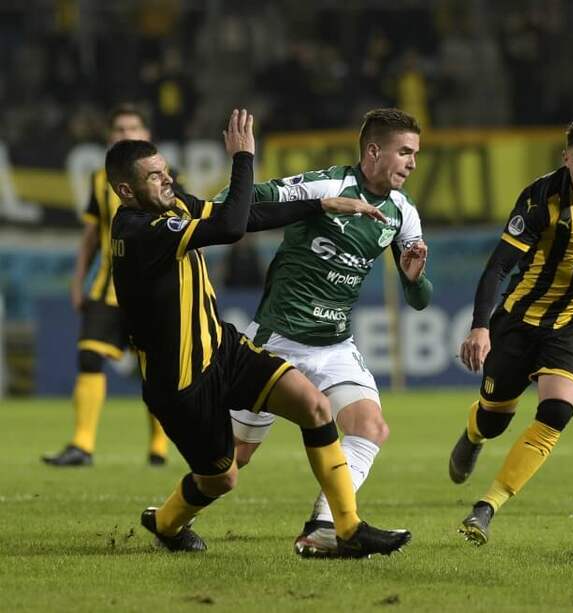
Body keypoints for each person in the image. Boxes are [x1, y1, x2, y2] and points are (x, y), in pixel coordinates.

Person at [108, 108, 410, 557]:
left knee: (314, 404)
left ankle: (344, 529)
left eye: (166, 170)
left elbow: (246, 216)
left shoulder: (170, 208)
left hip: (223, 348)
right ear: (126, 190)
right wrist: (244, 158)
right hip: (183, 382)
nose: (167, 181)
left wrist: (321, 204)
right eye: (154, 177)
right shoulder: (140, 230)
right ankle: (168, 522)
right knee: (223, 476)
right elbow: (231, 228)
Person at [223, 108, 432, 557]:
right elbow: (240, 200)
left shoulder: (401, 213)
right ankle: (171, 516)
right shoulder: (326, 186)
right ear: (374, 151)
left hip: (334, 345)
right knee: (232, 461)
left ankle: (323, 527)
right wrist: (239, 173)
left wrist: (414, 280)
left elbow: (419, 300)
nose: (413, 162)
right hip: (276, 341)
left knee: (370, 427)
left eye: (416, 154)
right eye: (405, 152)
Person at [447, 115, 573, 546]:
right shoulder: (541, 198)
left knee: (557, 412)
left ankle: (487, 507)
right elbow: (498, 265)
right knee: (495, 418)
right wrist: (481, 327)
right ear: (565, 159)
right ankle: (474, 433)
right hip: (521, 319)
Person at [43, 106, 169, 467]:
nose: (126, 132)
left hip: (150, 293)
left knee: (155, 369)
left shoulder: (166, 177)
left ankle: (159, 446)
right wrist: (77, 279)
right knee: (88, 356)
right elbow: (89, 237)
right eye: (119, 127)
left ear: (146, 132)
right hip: (106, 288)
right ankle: (82, 445)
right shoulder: (101, 180)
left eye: (133, 126)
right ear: (111, 135)